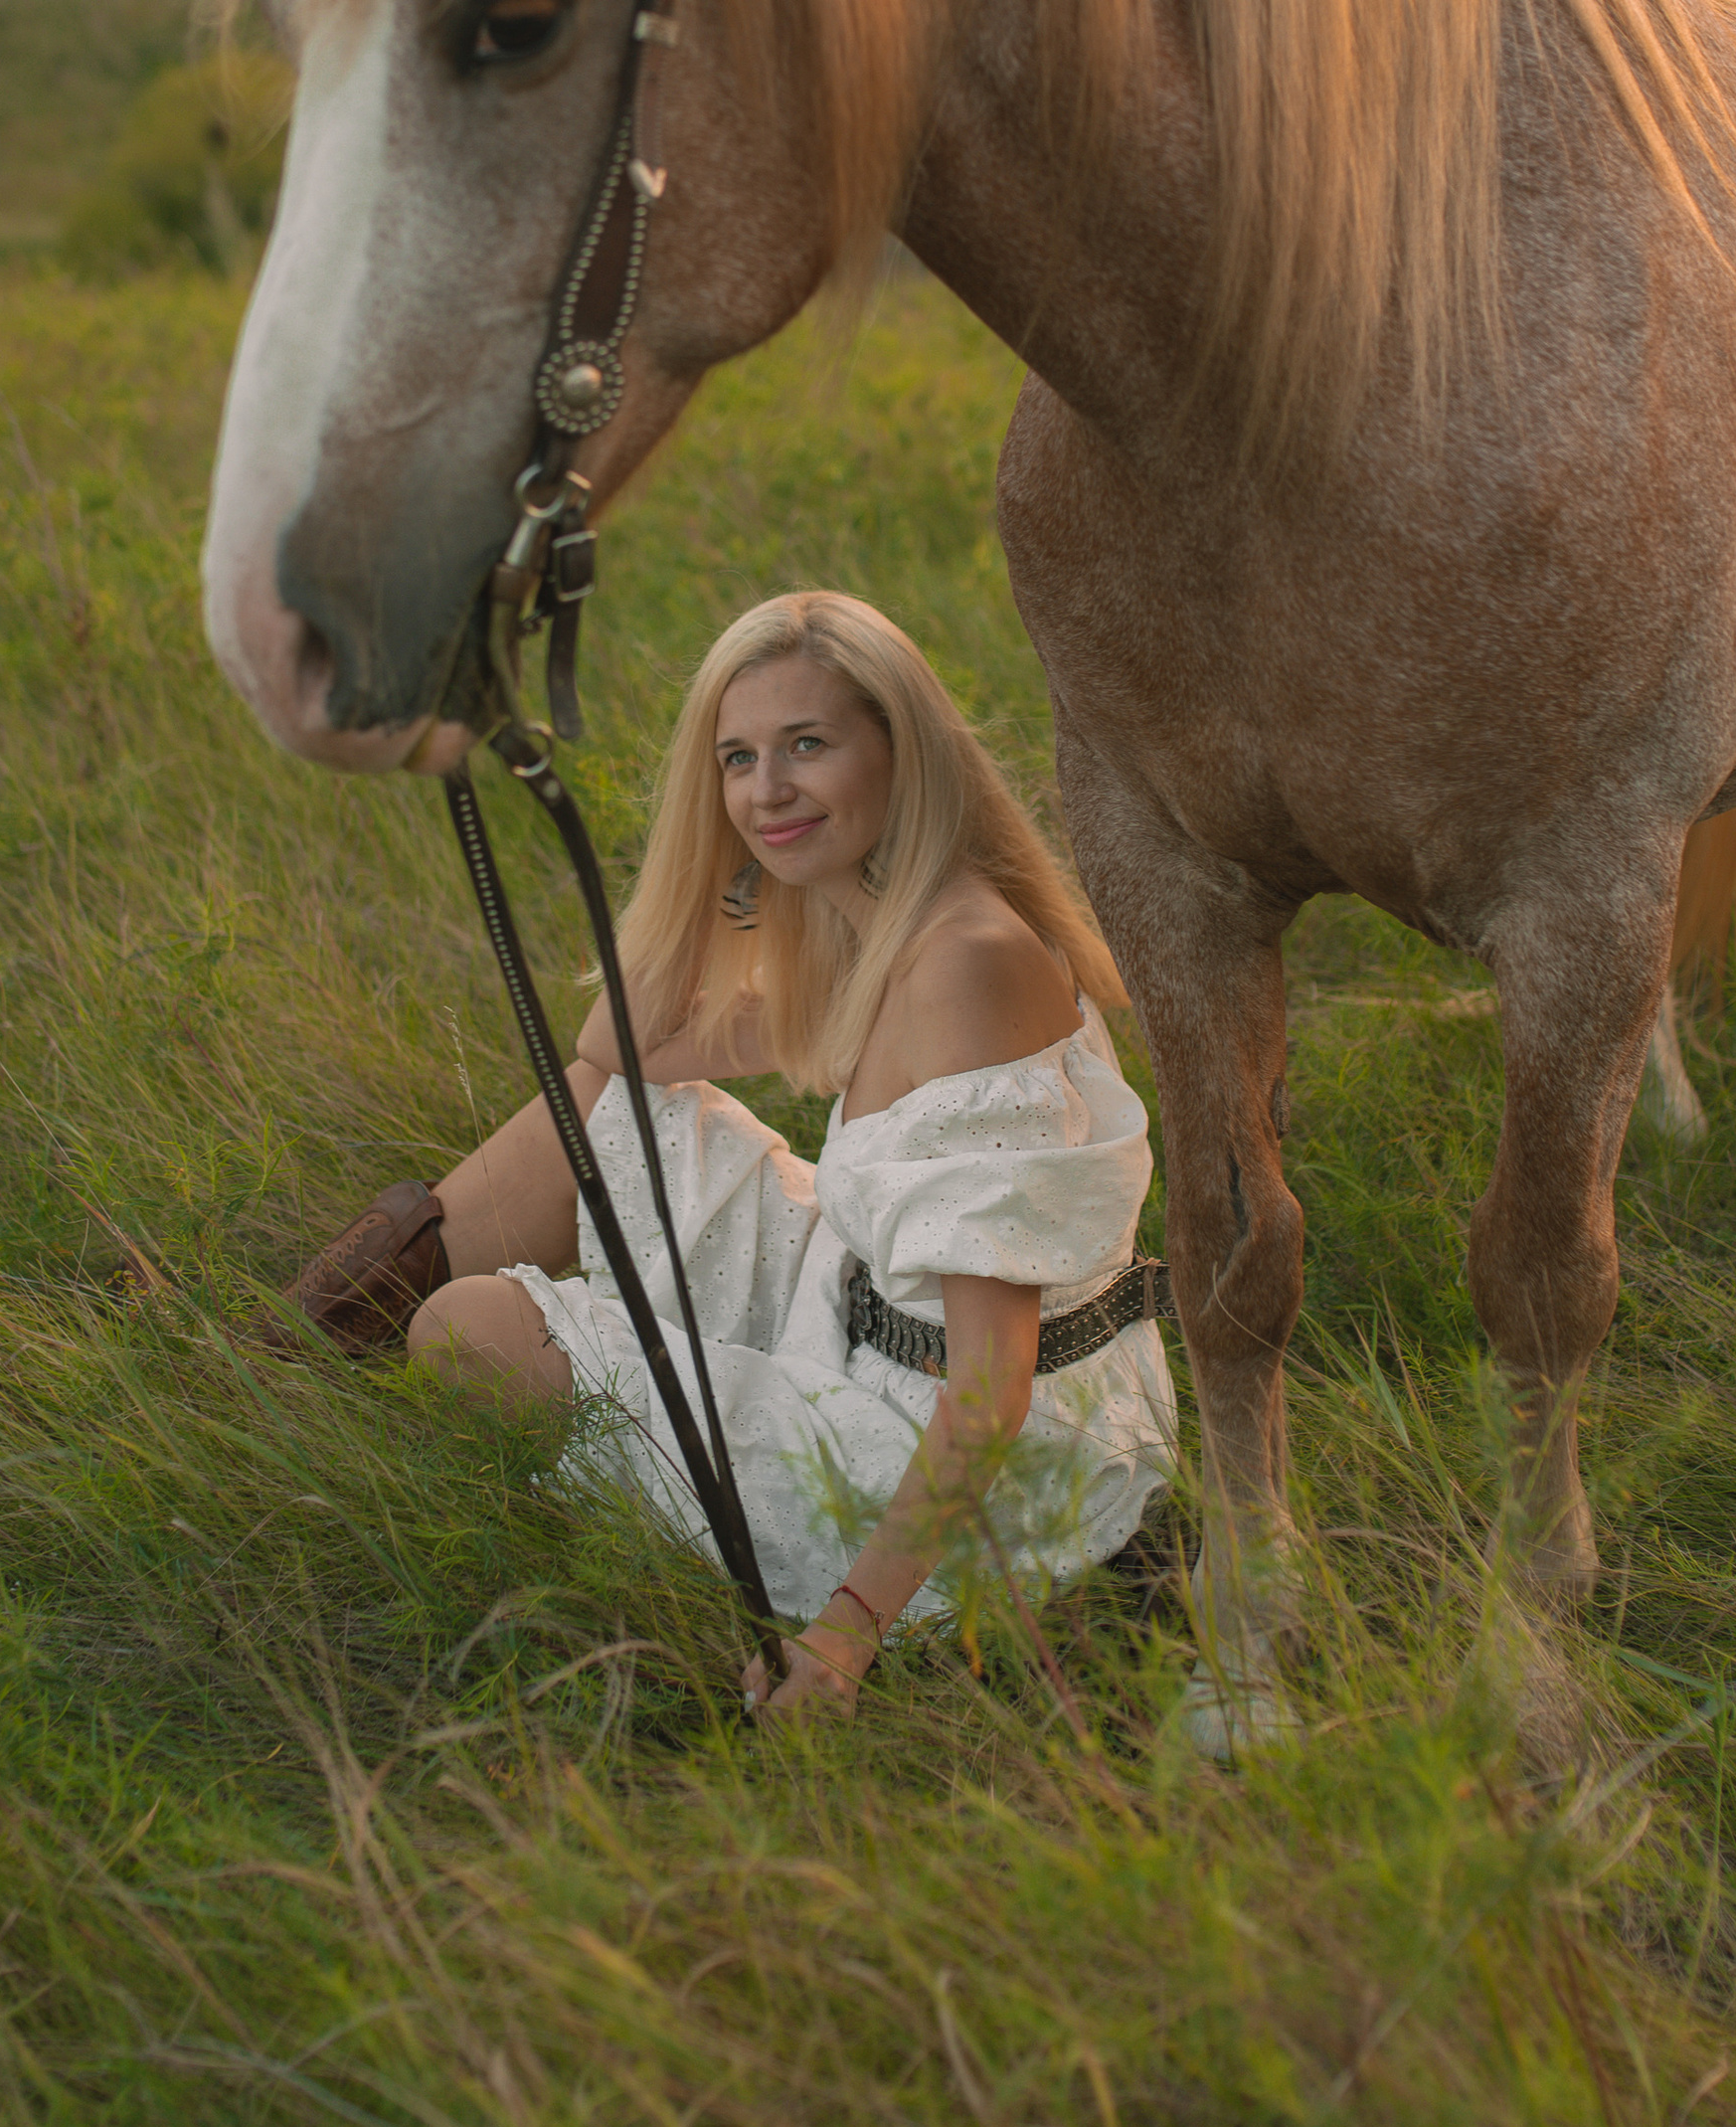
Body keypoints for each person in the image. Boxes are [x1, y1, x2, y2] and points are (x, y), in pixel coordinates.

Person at [290, 592, 1177, 1723]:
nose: (768, 788)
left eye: (807, 746)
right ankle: (294, 1352)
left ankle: (329, 1371)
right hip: (857, 1314)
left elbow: (990, 1388)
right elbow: (618, 1044)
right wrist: (746, 859)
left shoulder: (967, 965)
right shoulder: (881, 917)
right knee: (608, 1108)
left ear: (900, 752)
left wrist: (843, 1641)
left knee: (470, 1335)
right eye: (738, 760)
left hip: (980, 1478)